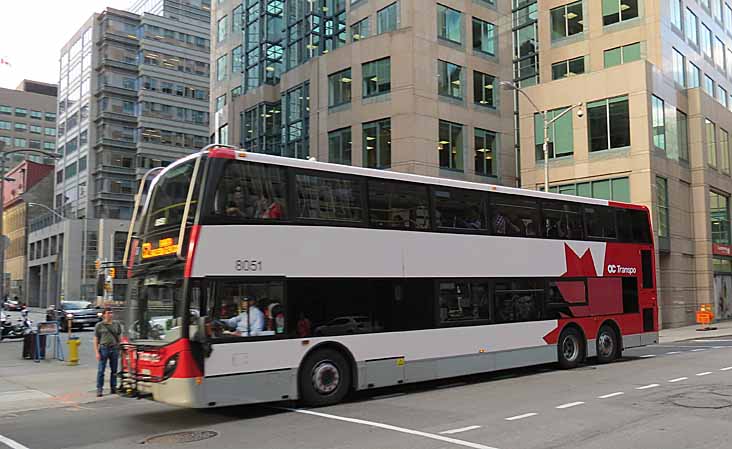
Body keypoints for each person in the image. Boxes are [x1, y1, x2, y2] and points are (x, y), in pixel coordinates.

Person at [94, 308, 123, 397]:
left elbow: (119, 337)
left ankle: (113, 387)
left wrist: (120, 348)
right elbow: (96, 339)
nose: (110, 315)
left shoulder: (116, 324)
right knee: (101, 370)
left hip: (114, 348)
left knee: (114, 370)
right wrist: (96, 352)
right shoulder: (99, 325)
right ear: (104, 315)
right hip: (104, 348)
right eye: (108, 313)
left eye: (111, 313)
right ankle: (99, 389)